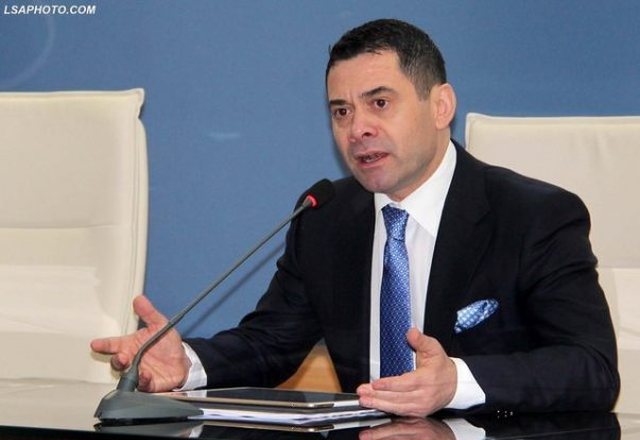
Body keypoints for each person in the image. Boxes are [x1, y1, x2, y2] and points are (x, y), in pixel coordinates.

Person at [91, 18, 619, 416]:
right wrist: (188, 362)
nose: (357, 128)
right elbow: (270, 343)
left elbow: (591, 367)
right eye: (341, 111)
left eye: (379, 103)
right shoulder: (325, 217)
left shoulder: (533, 216)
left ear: (441, 106)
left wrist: (455, 382)